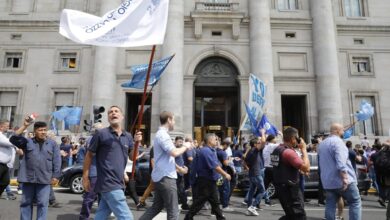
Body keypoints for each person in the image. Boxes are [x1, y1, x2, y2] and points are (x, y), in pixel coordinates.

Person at [82, 106, 142, 220]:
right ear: (108, 117)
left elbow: (132, 157)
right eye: (110, 112)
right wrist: (85, 177)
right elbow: (89, 156)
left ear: (122, 116)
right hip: (108, 182)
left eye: (116, 111)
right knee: (127, 217)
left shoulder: (128, 136)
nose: (113, 113)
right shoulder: (101, 134)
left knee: (101, 215)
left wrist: (136, 143)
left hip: (118, 181)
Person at [139, 111, 192, 220]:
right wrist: (186, 146)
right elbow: (174, 153)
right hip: (166, 178)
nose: (174, 123)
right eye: (174, 120)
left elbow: (169, 158)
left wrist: (179, 169)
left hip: (161, 176)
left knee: (157, 207)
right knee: (173, 211)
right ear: (169, 119)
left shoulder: (162, 134)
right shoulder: (163, 135)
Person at [10, 118, 61, 220]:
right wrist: (25, 125)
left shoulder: (52, 144)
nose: (43, 132)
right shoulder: (27, 142)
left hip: (45, 178)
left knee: (43, 204)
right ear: (35, 131)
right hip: (28, 178)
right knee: (26, 203)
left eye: (44, 130)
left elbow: (57, 160)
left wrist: (56, 175)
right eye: (40, 130)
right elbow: (13, 138)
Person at [318, 123, 361, 220]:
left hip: (328, 181)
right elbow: (341, 163)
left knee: (330, 204)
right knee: (355, 202)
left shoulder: (322, 144)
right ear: (337, 131)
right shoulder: (338, 142)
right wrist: (345, 178)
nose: (344, 132)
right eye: (342, 130)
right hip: (342, 181)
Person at [184, 133, 231, 220]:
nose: (217, 141)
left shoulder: (210, 150)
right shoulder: (206, 151)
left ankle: (220, 217)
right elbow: (214, 166)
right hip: (206, 181)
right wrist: (225, 174)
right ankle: (188, 217)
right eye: (215, 139)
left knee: (214, 202)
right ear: (209, 141)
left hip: (209, 180)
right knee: (201, 202)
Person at [271, 127, 310, 220]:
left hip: (281, 187)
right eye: (296, 138)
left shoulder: (277, 150)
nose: (297, 140)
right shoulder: (289, 152)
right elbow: (306, 168)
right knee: (299, 216)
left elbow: (283, 166)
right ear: (293, 138)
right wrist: (304, 150)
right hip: (290, 190)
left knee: (290, 215)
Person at [79, 123, 103, 220]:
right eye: (102, 130)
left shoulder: (89, 139)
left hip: (96, 171)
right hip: (95, 172)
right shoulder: (94, 139)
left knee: (94, 197)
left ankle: (88, 217)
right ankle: (84, 217)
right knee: (90, 197)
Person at [245, 131, 266, 216]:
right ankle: (253, 206)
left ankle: (249, 207)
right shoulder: (254, 150)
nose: (260, 143)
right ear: (254, 144)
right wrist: (263, 132)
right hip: (256, 174)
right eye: (258, 142)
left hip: (252, 173)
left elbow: (245, 161)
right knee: (262, 190)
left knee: (251, 191)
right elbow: (264, 141)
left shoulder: (250, 151)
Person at [174, 136, 190, 210]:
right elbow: (172, 162)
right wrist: (179, 169)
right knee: (179, 190)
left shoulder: (180, 150)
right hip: (175, 173)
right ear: (175, 142)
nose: (180, 143)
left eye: (181, 142)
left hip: (180, 173)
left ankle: (184, 204)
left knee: (181, 190)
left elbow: (180, 161)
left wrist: (184, 167)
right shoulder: (174, 150)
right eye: (179, 141)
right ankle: (184, 205)